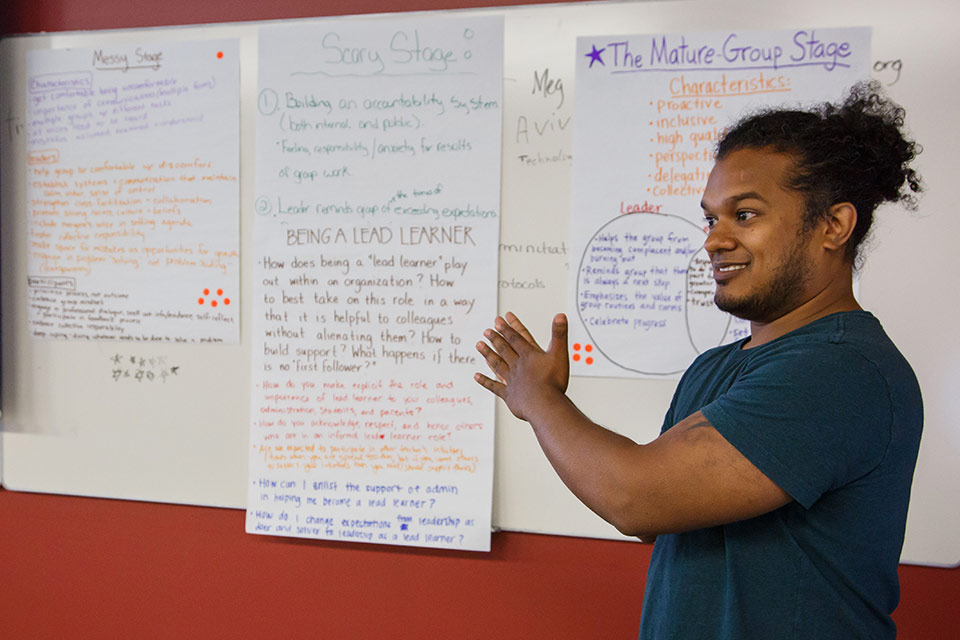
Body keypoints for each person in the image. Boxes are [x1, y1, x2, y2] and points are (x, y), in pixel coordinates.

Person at [474, 81, 923, 639]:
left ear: (834, 226)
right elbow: (662, 514)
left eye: (746, 214)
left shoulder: (841, 370)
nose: (714, 241)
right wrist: (546, 401)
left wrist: (540, 402)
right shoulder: (714, 367)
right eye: (712, 219)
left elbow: (635, 498)